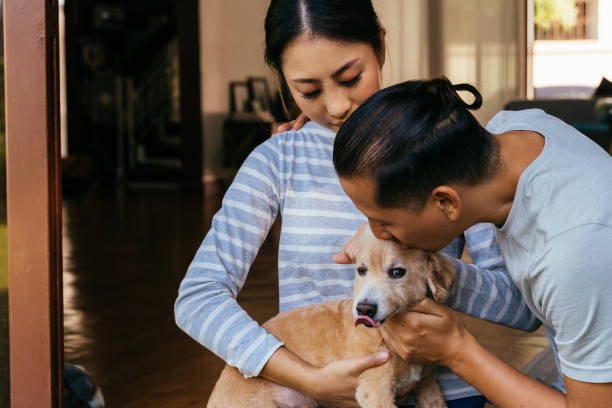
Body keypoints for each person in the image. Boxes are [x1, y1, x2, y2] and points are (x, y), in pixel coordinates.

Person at [174, 2, 539, 407]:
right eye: (308, 91)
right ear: (283, 81)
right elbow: (198, 298)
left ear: (380, 47)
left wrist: (428, 271)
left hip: (438, 392)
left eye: (351, 78)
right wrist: (310, 380)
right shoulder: (279, 159)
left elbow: (522, 310)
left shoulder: (441, 144)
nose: (336, 106)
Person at [333, 77, 612, 407]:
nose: (374, 234)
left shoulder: (573, 252)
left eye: (383, 222)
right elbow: (533, 303)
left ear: (447, 203)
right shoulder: (515, 128)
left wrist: (457, 351)